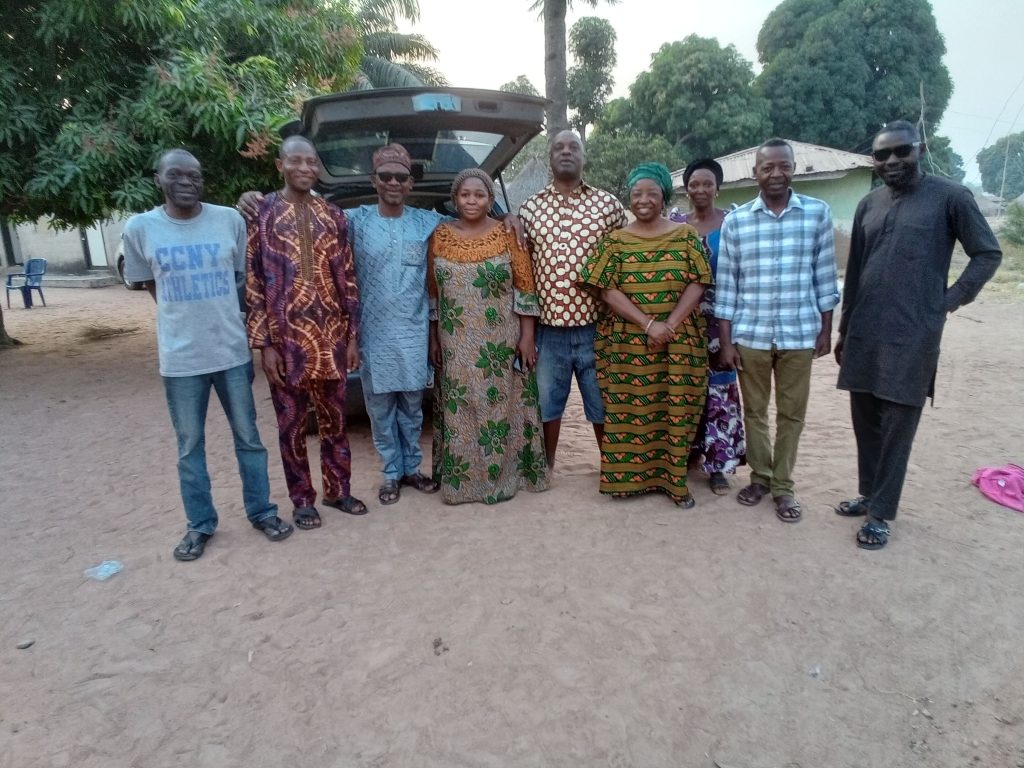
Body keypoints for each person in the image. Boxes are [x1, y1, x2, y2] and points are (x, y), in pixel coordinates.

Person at [834, 120, 1002, 550]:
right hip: (865, 330)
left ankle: (880, 514)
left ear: (919, 149)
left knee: (897, 425)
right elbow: (855, 271)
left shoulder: (950, 197)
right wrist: (845, 328)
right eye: (882, 154)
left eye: (901, 151)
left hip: (913, 334)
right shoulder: (869, 204)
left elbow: (987, 253)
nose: (892, 160)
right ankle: (868, 493)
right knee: (865, 421)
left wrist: (947, 301)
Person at [122, 149, 293, 562]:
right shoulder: (140, 228)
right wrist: (185, 320)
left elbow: (242, 280)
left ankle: (262, 512)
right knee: (189, 447)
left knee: (249, 439)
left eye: (194, 174)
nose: (186, 181)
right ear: (158, 178)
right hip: (181, 360)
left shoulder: (228, 221)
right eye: (175, 174)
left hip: (231, 353)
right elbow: (153, 287)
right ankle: (199, 524)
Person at [716, 138, 839, 524]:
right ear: (755, 172)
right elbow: (727, 287)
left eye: (783, 166)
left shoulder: (816, 214)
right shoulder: (737, 221)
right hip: (750, 335)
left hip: (798, 333)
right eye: (767, 167)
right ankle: (761, 478)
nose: (776, 173)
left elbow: (824, 278)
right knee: (754, 412)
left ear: (793, 169)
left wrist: (825, 331)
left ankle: (783, 486)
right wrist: (726, 340)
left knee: (792, 414)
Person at [246, 136, 366, 531]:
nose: (304, 168)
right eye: (295, 161)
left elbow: (348, 278)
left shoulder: (333, 216)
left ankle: (338, 490)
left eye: (311, 162)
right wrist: (264, 344)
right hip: (286, 343)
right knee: (293, 426)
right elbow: (254, 282)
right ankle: (301, 501)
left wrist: (352, 337)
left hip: (330, 338)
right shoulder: (262, 213)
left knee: (334, 422)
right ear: (279, 165)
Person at [580, 163, 711, 507]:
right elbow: (606, 289)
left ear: (664, 197)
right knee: (629, 411)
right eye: (636, 193)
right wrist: (649, 324)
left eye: (652, 193)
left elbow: (699, 282)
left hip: (678, 343)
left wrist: (669, 325)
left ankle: (674, 483)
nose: (643, 199)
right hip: (629, 344)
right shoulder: (616, 241)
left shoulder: (685, 236)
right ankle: (627, 481)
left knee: (674, 410)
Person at [427, 168, 549, 503]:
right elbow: (433, 293)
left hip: (501, 341)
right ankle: (463, 486)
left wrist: (527, 337)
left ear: (490, 199)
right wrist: (434, 339)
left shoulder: (508, 232)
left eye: (479, 195)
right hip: (455, 343)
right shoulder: (440, 236)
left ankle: (504, 479)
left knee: (500, 407)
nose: (472, 200)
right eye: (465, 194)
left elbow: (525, 287)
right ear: (455, 199)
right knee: (460, 409)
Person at [519, 130, 628, 469]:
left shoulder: (609, 206)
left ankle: (612, 468)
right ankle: (546, 467)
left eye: (573, 147)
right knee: (547, 404)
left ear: (584, 155)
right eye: (558, 147)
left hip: (598, 328)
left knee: (602, 403)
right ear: (549, 157)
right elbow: (522, 272)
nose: (566, 152)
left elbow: (626, 255)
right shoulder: (529, 209)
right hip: (548, 331)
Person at [669, 158, 747, 495]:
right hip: (682, 322)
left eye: (707, 184)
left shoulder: (733, 223)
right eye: (694, 184)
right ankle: (689, 453)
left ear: (718, 188)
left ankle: (717, 466)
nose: (700, 189)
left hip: (721, 323)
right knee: (685, 387)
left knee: (719, 390)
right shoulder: (674, 224)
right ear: (686, 189)